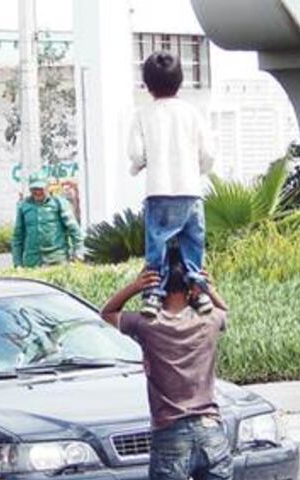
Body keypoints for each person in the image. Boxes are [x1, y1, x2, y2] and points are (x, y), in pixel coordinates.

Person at [100, 250, 236, 480]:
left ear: (159, 287)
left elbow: (106, 315)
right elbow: (225, 312)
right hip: (211, 431)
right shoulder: (207, 321)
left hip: (170, 434)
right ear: (191, 288)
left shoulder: (150, 325)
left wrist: (134, 287)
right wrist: (207, 287)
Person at [128, 50, 216, 317]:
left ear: (147, 84)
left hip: (159, 190)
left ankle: (154, 296)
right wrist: (196, 170)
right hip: (190, 191)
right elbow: (208, 154)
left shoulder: (143, 114)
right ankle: (199, 294)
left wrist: (140, 165)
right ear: (180, 80)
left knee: (158, 245)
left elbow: (135, 153)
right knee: (193, 245)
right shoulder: (192, 113)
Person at [12, 173, 84, 268]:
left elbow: (74, 230)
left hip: (57, 261)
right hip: (32, 262)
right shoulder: (23, 206)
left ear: (47, 187)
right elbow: (18, 237)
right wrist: (17, 263)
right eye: (34, 189)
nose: (37, 192)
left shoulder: (59, 203)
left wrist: (78, 253)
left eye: (40, 188)